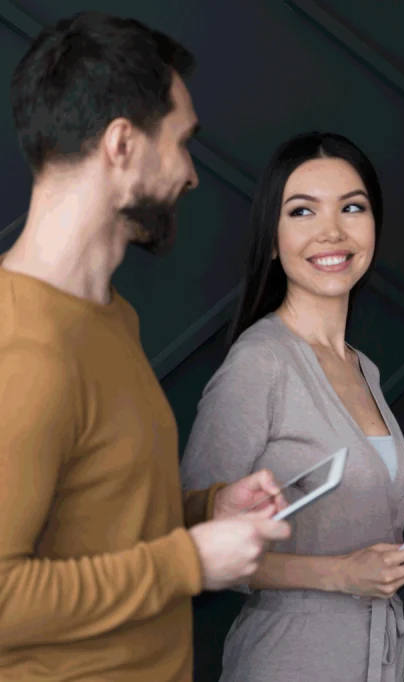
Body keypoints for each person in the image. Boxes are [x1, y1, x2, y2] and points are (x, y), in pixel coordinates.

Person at [0, 12, 293, 682]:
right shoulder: (19, 346)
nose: (191, 174)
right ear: (123, 144)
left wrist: (209, 510)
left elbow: (97, 514)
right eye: (181, 141)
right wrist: (191, 560)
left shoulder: (110, 317)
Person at [179, 131, 404, 682]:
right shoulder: (260, 363)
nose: (332, 231)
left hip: (377, 661)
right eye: (302, 211)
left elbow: (352, 526)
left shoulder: (364, 368)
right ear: (272, 238)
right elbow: (193, 539)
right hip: (289, 660)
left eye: (352, 208)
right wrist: (342, 574)